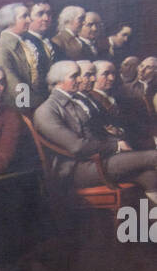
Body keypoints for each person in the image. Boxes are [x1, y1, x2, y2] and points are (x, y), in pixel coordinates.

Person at [33, 60, 157, 199]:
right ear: (58, 81)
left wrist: (118, 141)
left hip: (99, 160)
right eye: (74, 76)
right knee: (153, 157)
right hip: (76, 170)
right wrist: (115, 146)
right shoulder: (46, 111)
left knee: (150, 176)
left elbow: (99, 133)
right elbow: (77, 147)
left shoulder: (77, 102)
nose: (80, 80)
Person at [0, 3, 33, 105]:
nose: (29, 20)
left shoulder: (23, 46)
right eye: (24, 16)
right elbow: (20, 97)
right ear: (9, 21)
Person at [22, 0, 55, 105]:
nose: (46, 18)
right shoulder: (23, 42)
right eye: (40, 14)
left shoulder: (53, 44)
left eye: (48, 14)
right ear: (28, 18)